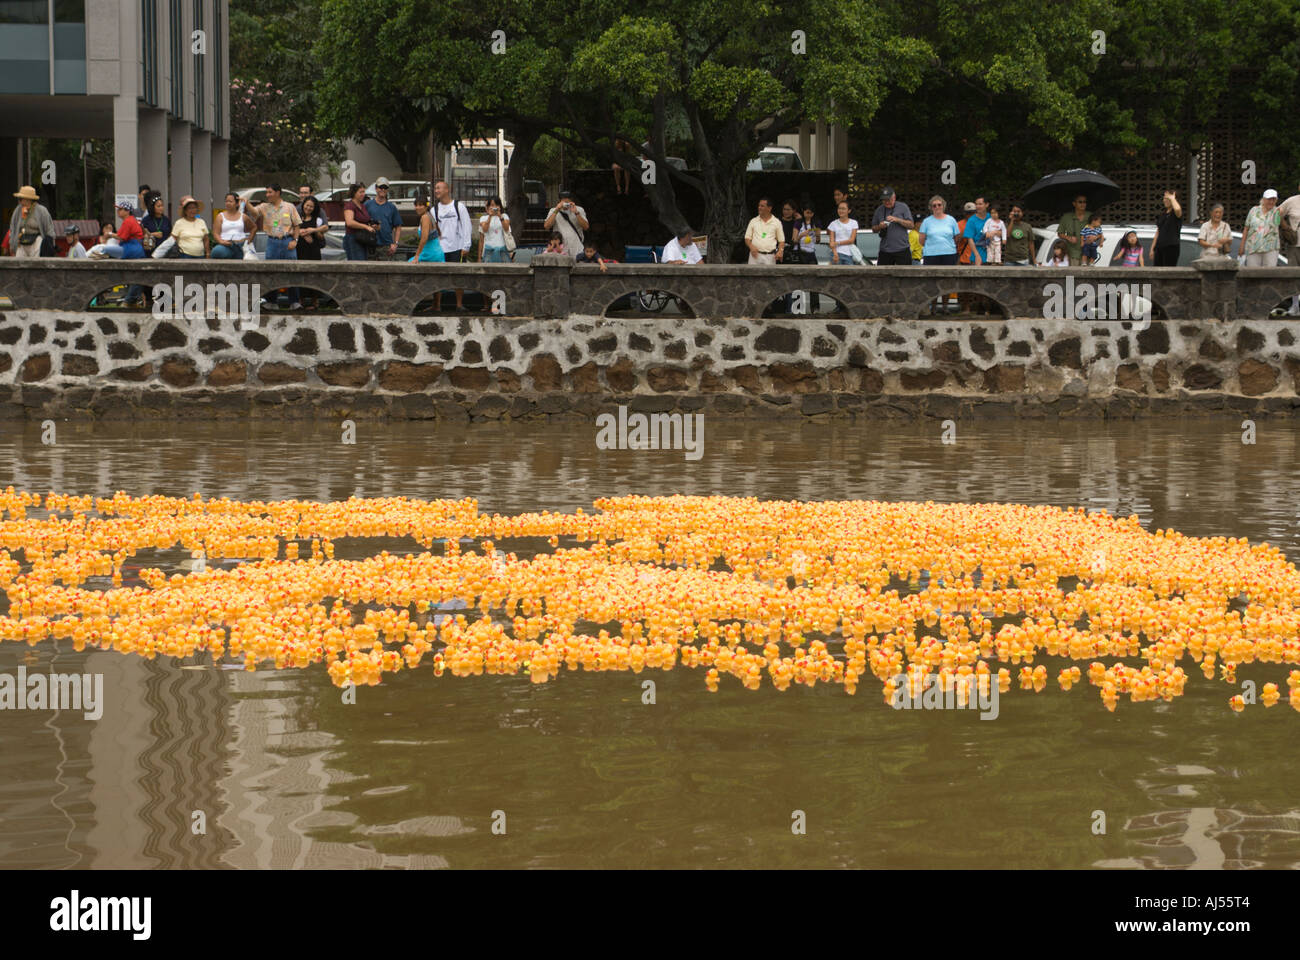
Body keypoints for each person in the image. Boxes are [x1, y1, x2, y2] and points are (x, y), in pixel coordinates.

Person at [257, 183, 302, 309]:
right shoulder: (265, 207)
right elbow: (254, 212)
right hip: (272, 241)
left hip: (288, 241)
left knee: (292, 271)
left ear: (277, 192)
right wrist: (246, 203)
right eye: (267, 192)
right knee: (271, 271)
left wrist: (295, 240)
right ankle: (271, 301)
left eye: (270, 192)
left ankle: (294, 302)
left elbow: (297, 225)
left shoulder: (289, 207)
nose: (267, 195)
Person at [434, 179, 473, 311]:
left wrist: (466, 246)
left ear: (447, 190)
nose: (436, 191)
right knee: (438, 278)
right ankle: (437, 306)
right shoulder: (435, 209)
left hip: (457, 248)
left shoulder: (459, 206)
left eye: (439, 188)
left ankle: (459, 305)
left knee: (458, 276)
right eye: (435, 189)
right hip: (440, 249)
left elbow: (467, 226)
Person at [1238, 188, 1281, 266]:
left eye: (1274, 199)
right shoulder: (1254, 210)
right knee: (1253, 273)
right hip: (1253, 247)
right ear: (1264, 199)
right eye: (1269, 199)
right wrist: (1242, 246)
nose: (1271, 202)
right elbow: (1246, 228)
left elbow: (1278, 223)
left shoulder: (1277, 211)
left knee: (1269, 273)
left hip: (1270, 248)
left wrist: (1279, 214)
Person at [8, 185, 54, 258]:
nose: (19, 201)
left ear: (29, 199)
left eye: (21, 199)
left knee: (36, 265)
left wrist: (50, 246)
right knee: (18, 264)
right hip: (21, 242)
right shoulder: (18, 210)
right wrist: (12, 244)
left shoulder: (42, 211)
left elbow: (49, 230)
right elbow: (12, 228)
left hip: (36, 241)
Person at [871, 187, 914, 265]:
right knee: (882, 275)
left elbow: (911, 225)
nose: (887, 202)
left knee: (905, 274)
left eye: (889, 200)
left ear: (894, 197)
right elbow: (874, 229)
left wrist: (897, 220)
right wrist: (880, 226)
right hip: (885, 250)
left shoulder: (903, 207)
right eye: (884, 200)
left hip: (902, 249)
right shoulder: (879, 210)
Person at [365, 177, 404, 260]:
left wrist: (395, 244)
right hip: (369, 245)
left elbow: (398, 226)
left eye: (385, 188)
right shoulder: (368, 205)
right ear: (376, 188)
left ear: (387, 190)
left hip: (386, 246)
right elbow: (362, 221)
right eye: (380, 187)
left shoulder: (392, 207)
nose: (383, 190)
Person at [543, 188, 588, 256]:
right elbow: (546, 226)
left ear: (572, 201)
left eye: (568, 203)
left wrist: (576, 213)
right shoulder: (553, 210)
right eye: (564, 203)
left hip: (576, 247)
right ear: (559, 201)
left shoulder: (579, 210)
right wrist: (557, 210)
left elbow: (586, 227)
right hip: (560, 248)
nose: (566, 205)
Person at [211, 192, 255, 259]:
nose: (228, 203)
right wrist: (221, 241)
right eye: (226, 201)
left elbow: (253, 227)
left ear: (237, 204)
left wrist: (249, 240)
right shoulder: (220, 216)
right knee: (217, 252)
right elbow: (216, 233)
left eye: (230, 201)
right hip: (225, 245)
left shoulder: (243, 216)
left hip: (240, 245)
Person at [918, 196, 960, 265]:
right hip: (930, 255)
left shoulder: (951, 220)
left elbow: (957, 237)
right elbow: (921, 240)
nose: (937, 207)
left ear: (943, 206)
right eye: (934, 206)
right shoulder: (926, 221)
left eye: (939, 205)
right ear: (931, 208)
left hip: (949, 254)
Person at [1278, 184, 1300, 313]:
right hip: (1294, 244)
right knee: (1294, 275)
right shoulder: (1292, 201)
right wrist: (1285, 226)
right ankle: (1295, 305)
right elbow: (1277, 213)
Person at [744, 197, 784, 265]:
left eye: (762, 206)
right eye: (759, 205)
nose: (759, 207)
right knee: (753, 275)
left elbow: (781, 241)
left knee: (769, 275)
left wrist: (780, 251)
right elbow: (747, 238)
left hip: (770, 257)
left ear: (769, 208)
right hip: (755, 256)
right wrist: (751, 246)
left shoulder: (777, 222)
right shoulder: (753, 221)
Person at [343, 183, 376, 261]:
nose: (363, 194)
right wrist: (365, 227)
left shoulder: (362, 206)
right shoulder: (349, 206)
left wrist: (372, 226)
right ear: (354, 193)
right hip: (353, 238)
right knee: (358, 264)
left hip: (363, 238)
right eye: (360, 192)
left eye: (364, 192)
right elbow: (349, 222)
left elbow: (365, 220)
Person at [1150, 190, 1183, 266]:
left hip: (1171, 247)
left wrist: (1172, 198)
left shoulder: (1176, 213)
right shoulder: (1163, 213)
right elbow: (1158, 231)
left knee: (1168, 272)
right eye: (1164, 198)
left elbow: (1177, 209)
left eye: (1167, 198)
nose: (1164, 200)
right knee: (1157, 271)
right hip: (1159, 247)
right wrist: (1152, 248)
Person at [409, 194, 444, 263]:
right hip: (435, 252)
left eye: (420, 205)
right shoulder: (430, 215)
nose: (417, 207)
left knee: (409, 266)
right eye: (416, 205)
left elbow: (424, 238)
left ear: (426, 206)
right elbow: (439, 234)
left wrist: (417, 255)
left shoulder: (424, 217)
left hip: (430, 254)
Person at [1057, 195, 1091, 266]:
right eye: (1080, 202)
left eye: (1085, 202)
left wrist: (1093, 237)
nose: (1083, 204)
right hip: (1072, 254)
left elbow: (1099, 232)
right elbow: (1060, 233)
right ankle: (1070, 278)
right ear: (1074, 203)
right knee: (1071, 276)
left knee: (1085, 276)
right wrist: (1069, 238)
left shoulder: (1091, 216)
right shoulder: (1066, 217)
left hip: (1087, 254)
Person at [478, 196, 512, 262]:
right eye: (492, 205)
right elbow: (485, 230)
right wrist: (490, 216)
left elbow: (506, 229)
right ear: (488, 207)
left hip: (503, 250)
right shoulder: (483, 218)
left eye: (497, 205)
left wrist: (500, 216)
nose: (495, 207)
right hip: (489, 250)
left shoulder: (504, 216)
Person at [296, 195, 329, 262]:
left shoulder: (317, 220)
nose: (308, 208)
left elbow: (324, 231)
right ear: (303, 205)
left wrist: (313, 230)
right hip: (299, 251)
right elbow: (290, 230)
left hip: (313, 252)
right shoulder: (297, 218)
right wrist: (300, 232)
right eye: (307, 205)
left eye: (311, 206)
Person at [961, 196, 990, 264]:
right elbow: (970, 239)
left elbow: (1001, 232)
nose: (977, 206)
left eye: (980, 204)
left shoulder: (991, 217)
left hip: (992, 257)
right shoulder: (971, 220)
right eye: (976, 204)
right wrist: (977, 255)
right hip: (977, 257)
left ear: (987, 204)